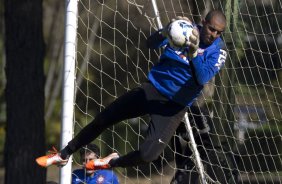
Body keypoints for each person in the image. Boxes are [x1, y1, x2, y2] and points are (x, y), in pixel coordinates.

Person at [36, 10, 227, 171]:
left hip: (173, 107)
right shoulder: (184, 30)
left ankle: (111, 162)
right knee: (105, 117)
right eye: (211, 29)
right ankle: (64, 153)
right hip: (151, 90)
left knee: (147, 155)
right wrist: (166, 31)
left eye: (219, 32)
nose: (214, 35)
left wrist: (193, 53)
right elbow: (150, 43)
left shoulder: (219, 51)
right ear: (203, 23)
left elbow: (202, 77)